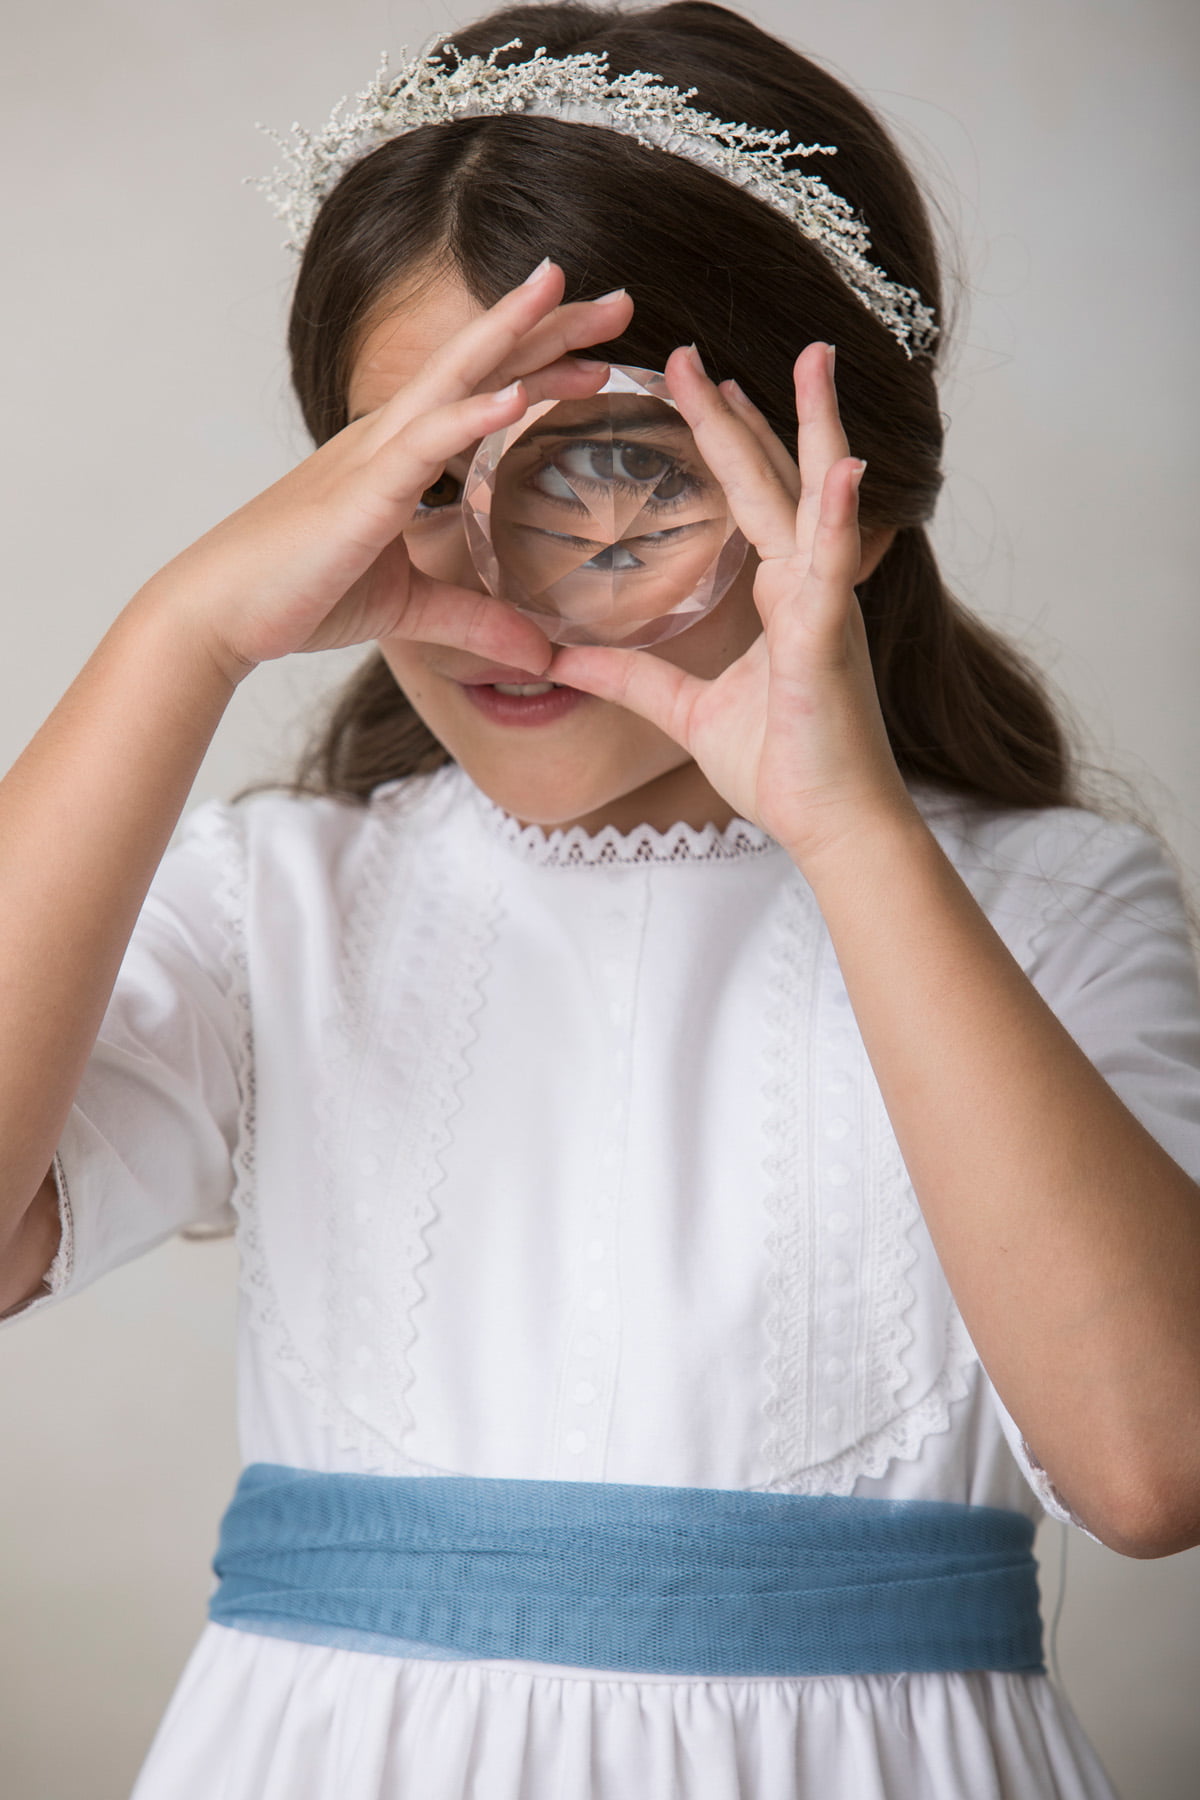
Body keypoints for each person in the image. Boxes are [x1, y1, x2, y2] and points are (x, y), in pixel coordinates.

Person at [2, 2, 1198, 1794]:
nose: (521, 588)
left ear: (845, 506)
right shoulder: (281, 904)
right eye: (425, 475)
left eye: (619, 473)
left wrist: (854, 833)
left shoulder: (1047, 904)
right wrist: (181, 635)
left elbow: (1151, 1467)